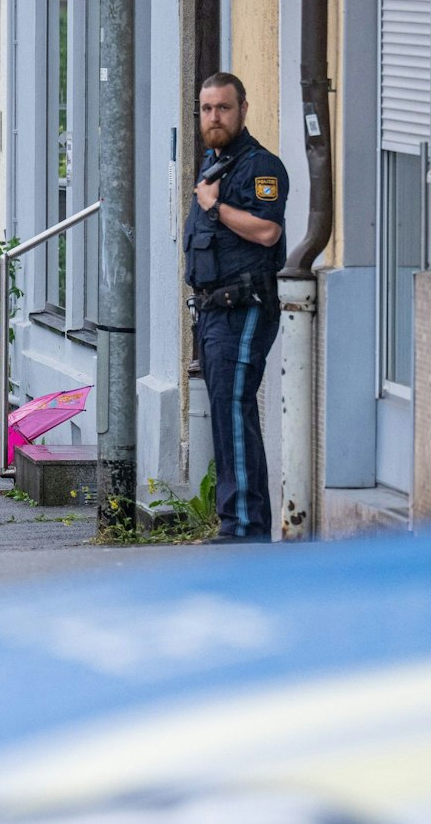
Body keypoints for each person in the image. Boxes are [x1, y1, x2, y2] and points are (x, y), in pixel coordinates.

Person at [183, 72, 287, 543]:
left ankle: (245, 526)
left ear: (243, 109)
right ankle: (236, 521)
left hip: (244, 307)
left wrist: (215, 206)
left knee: (234, 409)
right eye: (206, 109)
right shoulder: (213, 165)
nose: (214, 117)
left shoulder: (259, 167)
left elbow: (268, 232)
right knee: (225, 414)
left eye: (223, 108)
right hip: (212, 312)